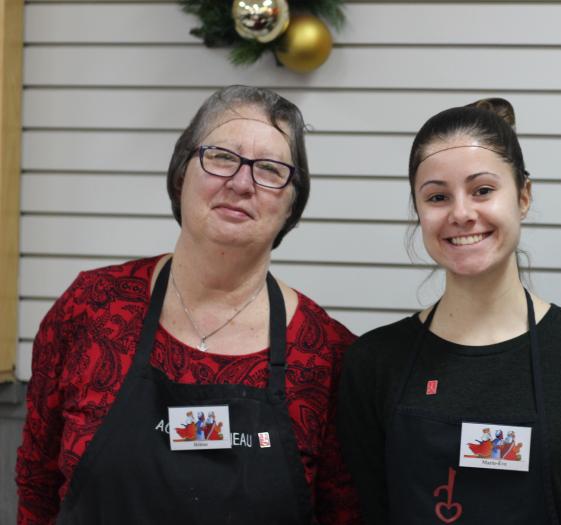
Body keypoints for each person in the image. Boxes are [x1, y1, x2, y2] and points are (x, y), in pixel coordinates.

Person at [16, 86, 361, 524]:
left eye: (270, 170)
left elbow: (346, 515)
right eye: (221, 157)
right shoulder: (90, 307)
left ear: (293, 204)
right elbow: (36, 485)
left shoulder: (328, 354)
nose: (240, 183)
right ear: (182, 173)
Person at [337, 98, 561, 524]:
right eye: (437, 196)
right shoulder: (373, 363)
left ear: (523, 197)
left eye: (482, 190)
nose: (462, 214)